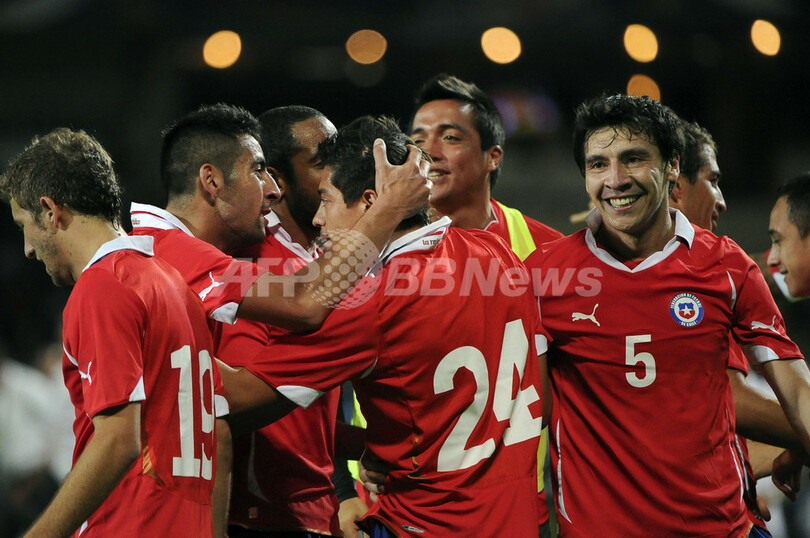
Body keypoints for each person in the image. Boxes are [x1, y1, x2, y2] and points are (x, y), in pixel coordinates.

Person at [220, 116, 548, 537]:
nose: (319, 218)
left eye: (327, 199)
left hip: (426, 524)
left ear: (371, 201)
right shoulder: (496, 251)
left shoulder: (373, 302)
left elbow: (237, 399)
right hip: (518, 521)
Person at [528, 94, 810, 537]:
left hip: (719, 529)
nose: (615, 179)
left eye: (633, 159)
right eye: (598, 165)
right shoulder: (544, 275)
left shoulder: (728, 267)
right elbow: (521, 411)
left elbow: (797, 391)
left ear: (672, 165)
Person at [0, 128, 230, 537]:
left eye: (24, 225)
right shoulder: (174, 283)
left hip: (130, 524)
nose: (27, 249)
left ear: (51, 210)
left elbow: (118, 440)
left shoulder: (103, 287)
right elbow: (220, 429)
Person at [408, 73, 561, 535]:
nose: (428, 150)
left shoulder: (545, 252)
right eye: (416, 139)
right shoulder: (376, 248)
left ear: (494, 155)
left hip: (511, 511)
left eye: (449, 137)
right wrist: (345, 487)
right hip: (397, 508)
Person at [130, 103, 430, 335]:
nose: (272, 190)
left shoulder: (178, 252)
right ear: (212, 180)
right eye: (258, 170)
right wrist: (390, 207)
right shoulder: (164, 254)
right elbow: (303, 303)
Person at [217, 105, 362, 537]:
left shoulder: (323, 258)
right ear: (276, 180)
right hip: (263, 517)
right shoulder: (254, 264)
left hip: (317, 511)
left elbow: (309, 423)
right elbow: (237, 405)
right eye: (321, 162)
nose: (337, 172)